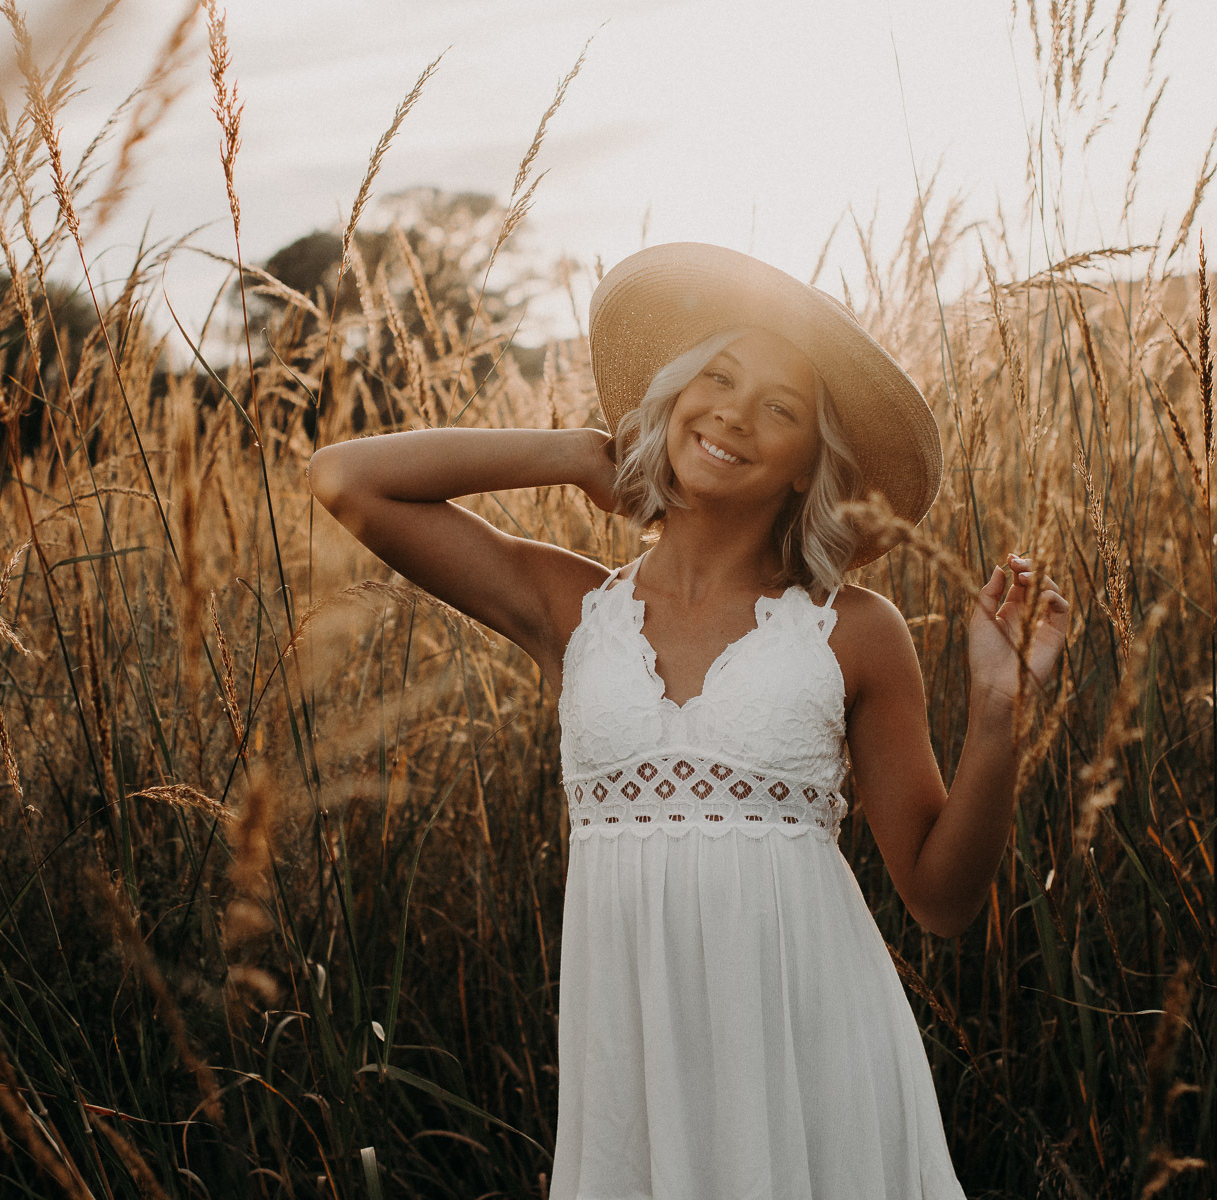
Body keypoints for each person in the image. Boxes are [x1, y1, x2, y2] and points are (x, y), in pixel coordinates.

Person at [306, 242, 1071, 1199]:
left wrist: (1000, 709)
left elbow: (940, 899)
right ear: (672, 397)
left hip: (809, 1064)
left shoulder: (855, 633)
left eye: (781, 408)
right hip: (635, 1072)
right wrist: (576, 456)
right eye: (717, 376)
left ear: (807, 467)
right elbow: (344, 480)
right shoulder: (569, 606)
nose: (734, 414)